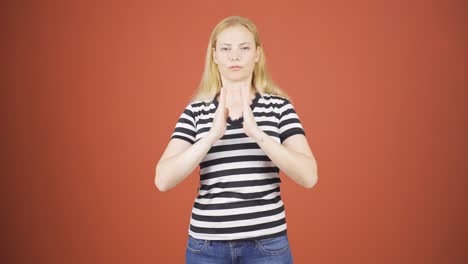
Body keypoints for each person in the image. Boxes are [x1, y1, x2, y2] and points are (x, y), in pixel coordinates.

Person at [155, 15, 318, 264]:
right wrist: (210, 137)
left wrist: (259, 135)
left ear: (256, 54)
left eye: (244, 48)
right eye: (225, 48)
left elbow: (309, 176)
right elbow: (163, 180)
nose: (234, 56)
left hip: (267, 244)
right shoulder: (196, 111)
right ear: (215, 55)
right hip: (206, 247)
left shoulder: (279, 107)